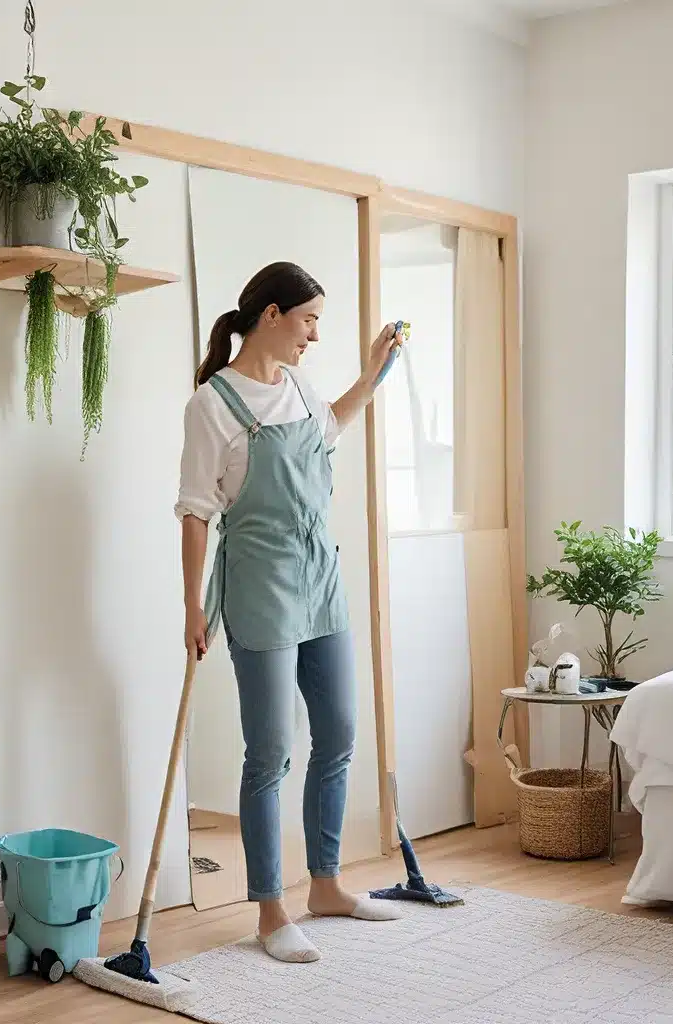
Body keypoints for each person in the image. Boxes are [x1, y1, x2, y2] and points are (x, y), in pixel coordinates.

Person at [175, 261, 402, 965]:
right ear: (270, 315)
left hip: (321, 580)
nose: (313, 335)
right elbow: (194, 512)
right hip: (260, 587)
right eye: (308, 320)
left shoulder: (300, 387)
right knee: (269, 752)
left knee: (337, 736)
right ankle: (271, 910)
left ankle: (326, 886)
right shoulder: (212, 404)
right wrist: (191, 605)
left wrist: (371, 373)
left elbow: (327, 430)